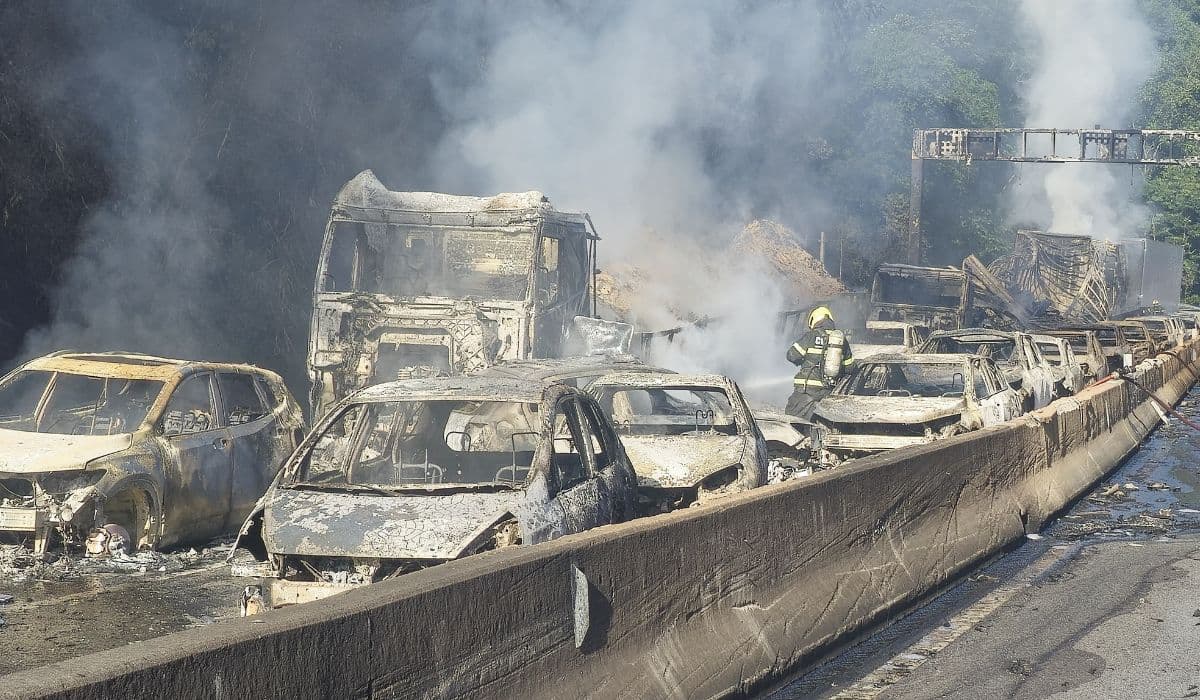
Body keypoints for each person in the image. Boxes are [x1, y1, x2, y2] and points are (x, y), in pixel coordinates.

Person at [785, 306, 854, 418]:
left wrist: (804, 359)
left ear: (814, 320)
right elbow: (850, 367)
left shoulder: (811, 336)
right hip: (829, 391)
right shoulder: (842, 341)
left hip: (806, 392)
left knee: (791, 423)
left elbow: (792, 355)